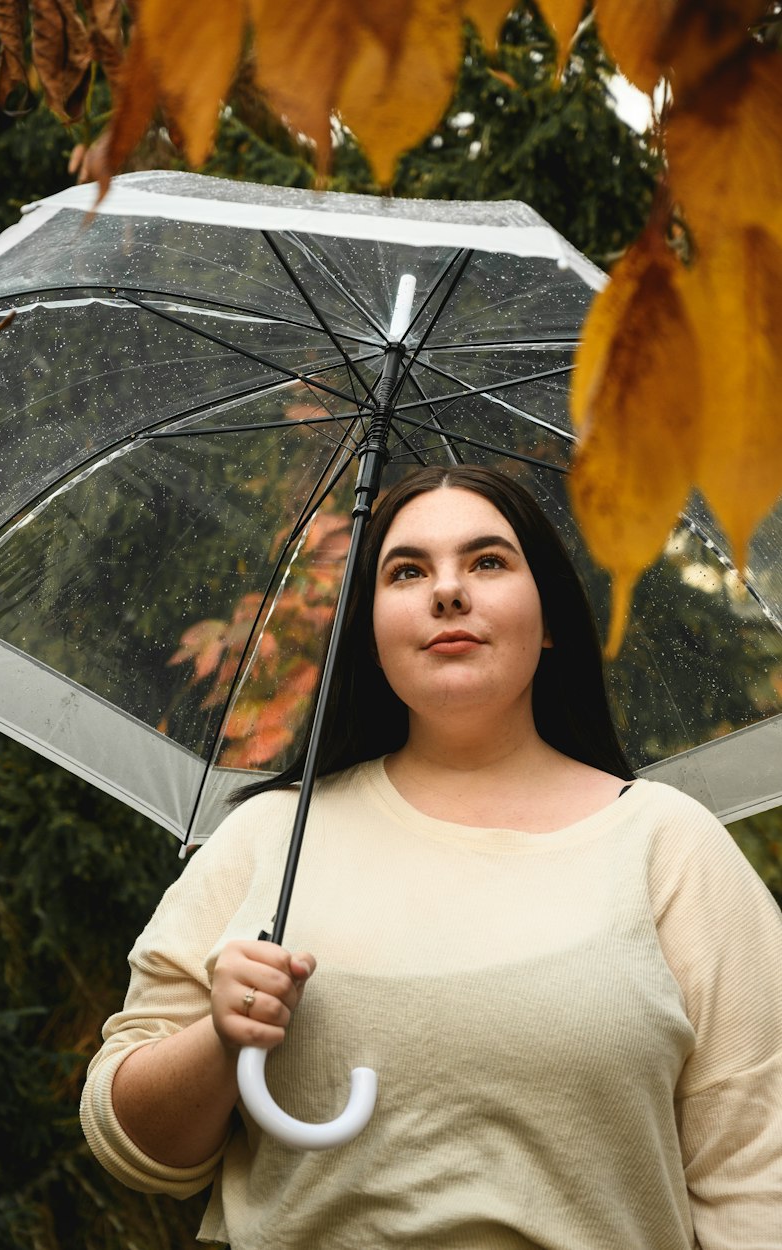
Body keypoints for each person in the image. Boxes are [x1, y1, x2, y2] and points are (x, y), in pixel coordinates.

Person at [81, 465, 782, 1249]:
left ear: (550, 618)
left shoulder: (668, 845)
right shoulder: (273, 837)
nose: (447, 592)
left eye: (487, 562)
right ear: (370, 631)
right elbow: (134, 1146)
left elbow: (758, 1178)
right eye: (407, 571)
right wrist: (218, 1037)